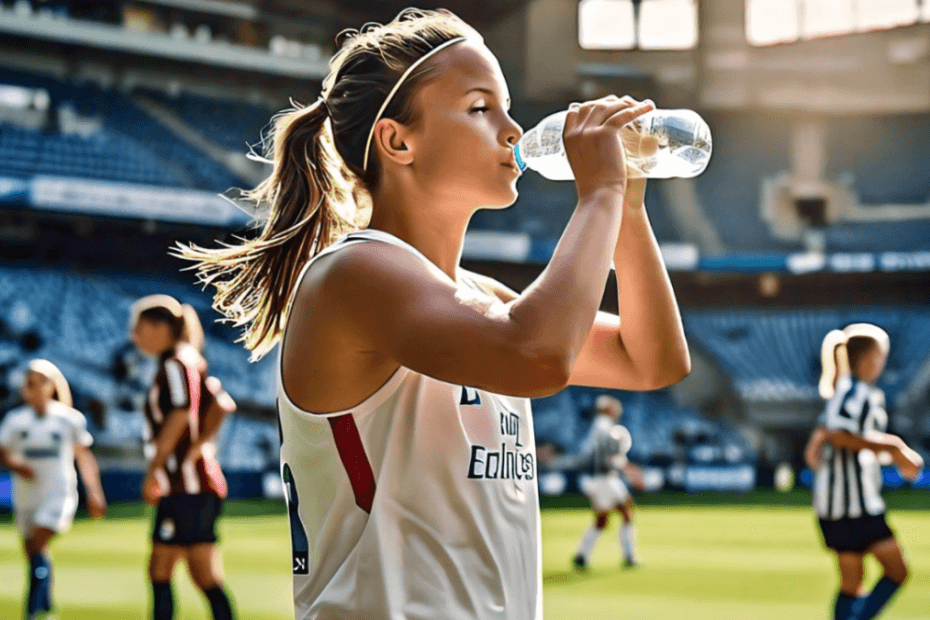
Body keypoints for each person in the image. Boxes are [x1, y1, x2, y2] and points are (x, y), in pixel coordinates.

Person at [180, 8, 690, 619]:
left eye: (506, 107)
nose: (513, 131)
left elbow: (652, 359)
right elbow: (537, 355)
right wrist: (600, 194)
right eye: (480, 108)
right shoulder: (355, 273)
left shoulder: (484, 299)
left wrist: (629, 208)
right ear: (398, 140)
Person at [804, 323, 923, 620]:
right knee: (897, 571)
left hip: (839, 506)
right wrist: (894, 448)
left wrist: (886, 454)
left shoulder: (851, 391)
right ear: (870, 358)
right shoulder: (853, 392)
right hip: (852, 507)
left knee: (852, 584)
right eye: (881, 356)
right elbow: (840, 434)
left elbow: (831, 435)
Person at [129, 294, 236, 620]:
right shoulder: (188, 361)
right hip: (189, 487)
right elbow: (223, 403)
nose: (134, 336)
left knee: (180, 572)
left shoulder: (176, 364)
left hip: (188, 487)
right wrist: (202, 442)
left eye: (139, 328)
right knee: (178, 571)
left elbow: (179, 413)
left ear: (160, 328)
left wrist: (155, 469)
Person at [0, 359, 106, 620]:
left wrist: (94, 492)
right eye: (29, 383)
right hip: (26, 496)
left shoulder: (68, 419)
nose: (32, 388)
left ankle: (33, 609)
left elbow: (84, 456)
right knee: (34, 551)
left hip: (58, 494)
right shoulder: (15, 420)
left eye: (38, 382)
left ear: (51, 385)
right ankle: (47, 607)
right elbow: (3, 452)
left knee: (37, 543)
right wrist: (17, 466)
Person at [542, 394, 644, 570]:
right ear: (607, 409)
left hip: (597, 479)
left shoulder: (599, 425)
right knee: (627, 512)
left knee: (602, 520)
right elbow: (609, 455)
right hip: (604, 479)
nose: (618, 411)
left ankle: (582, 555)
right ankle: (629, 556)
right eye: (614, 407)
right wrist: (629, 470)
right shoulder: (604, 425)